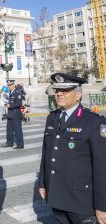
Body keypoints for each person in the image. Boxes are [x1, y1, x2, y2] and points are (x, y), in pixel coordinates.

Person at [39, 73, 106, 224]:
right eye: (56, 91)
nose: (59, 94)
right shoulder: (52, 118)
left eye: (65, 90)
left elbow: (102, 167)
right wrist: (43, 183)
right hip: (57, 195)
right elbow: (47, 153)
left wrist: (102, 205)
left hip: (81, 200)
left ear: (78, 94)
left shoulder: (93, 122)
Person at [2, 80, 24, 149]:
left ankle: (20, 145)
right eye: (8, 85)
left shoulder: (17, 92)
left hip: (16, 114)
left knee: (17, 130)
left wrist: (10, 106)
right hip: (10, 114)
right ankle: (9, 143)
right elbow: (11, 102)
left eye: (10, 85)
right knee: (9, 130)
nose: (9, 86)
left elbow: (19, 104)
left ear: (13, 85)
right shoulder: (10, 92)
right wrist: (7, 105)